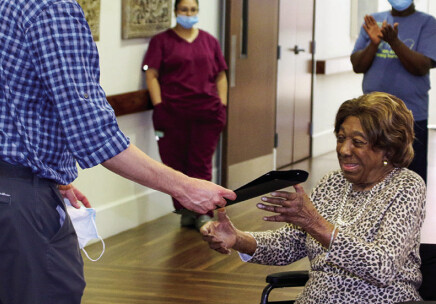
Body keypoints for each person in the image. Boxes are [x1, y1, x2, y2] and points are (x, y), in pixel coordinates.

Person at [0, 0, 236, 303]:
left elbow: (5, 99)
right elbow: (95, 135)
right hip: (14, 201)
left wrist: (52, 172)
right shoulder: (51, 7)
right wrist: (184, 186)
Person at [201, 92, 426, 303]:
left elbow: (382, 267)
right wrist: (237, 238)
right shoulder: (332, 182)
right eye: (340, 138)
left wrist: (313, 223)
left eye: (358, 142)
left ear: (388, 148)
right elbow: (289, 245)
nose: (344, 150)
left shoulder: (405, 186)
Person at [142, 0, 228, 230]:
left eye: (192, 10)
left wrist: (223, 105)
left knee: (200, 165)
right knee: (174, 166)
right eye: (184, 10)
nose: (188, 14)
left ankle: (203, 211)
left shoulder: (209, 41)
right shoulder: (161, 41)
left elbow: (221, 76)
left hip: (207, 113)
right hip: (172, 114)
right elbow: (151, 75)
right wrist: (159, 106)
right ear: (175, 12)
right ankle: (185, 211)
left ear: (197, 12)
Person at [350, 0, 436, 183]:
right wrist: (374, 44)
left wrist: (394, 42)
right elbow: (357, 65)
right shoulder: (374, 21)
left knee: (410, 177)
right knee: (372, 173)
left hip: (411, 114)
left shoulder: (428, 23)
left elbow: (421, 67)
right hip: (373, 114)